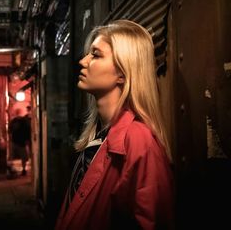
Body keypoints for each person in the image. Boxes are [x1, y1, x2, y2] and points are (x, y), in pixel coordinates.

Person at [55, 20, 174, 230]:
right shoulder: (100, 134)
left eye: (96, 55)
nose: (83, 61)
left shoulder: (139, 140)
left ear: (122, 73)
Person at [9, 108, 31, 176]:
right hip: (21, 141)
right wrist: (27, 139)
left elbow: (10, 130)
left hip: (15, 141)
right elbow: (27, 130)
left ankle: (12, 170)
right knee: (23, 157)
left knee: (12, 156)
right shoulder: (24, 121)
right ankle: (23, 169)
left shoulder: (13, 121)